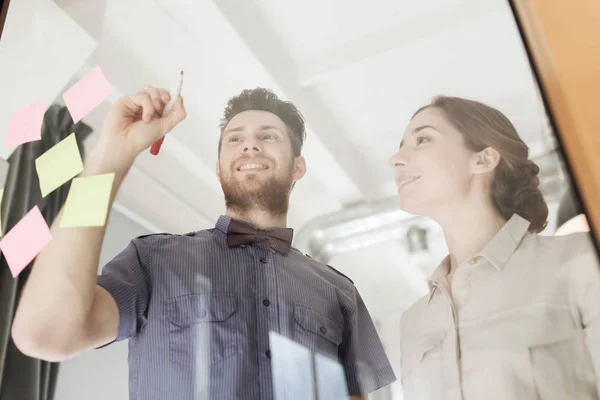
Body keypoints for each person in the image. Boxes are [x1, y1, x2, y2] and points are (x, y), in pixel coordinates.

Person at [11, 86, 396, 400]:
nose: (251, 146)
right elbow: (45, 332)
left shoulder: (340, 291)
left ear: (298, 166)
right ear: (217, 168)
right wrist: (110, 159)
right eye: (235, 139)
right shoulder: (152, 261)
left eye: (268, 136)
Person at [389, 95, 600, 399]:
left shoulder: (579, 259)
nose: (395, 158)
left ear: (484, 159)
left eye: (422, 139)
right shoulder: (413, 322)